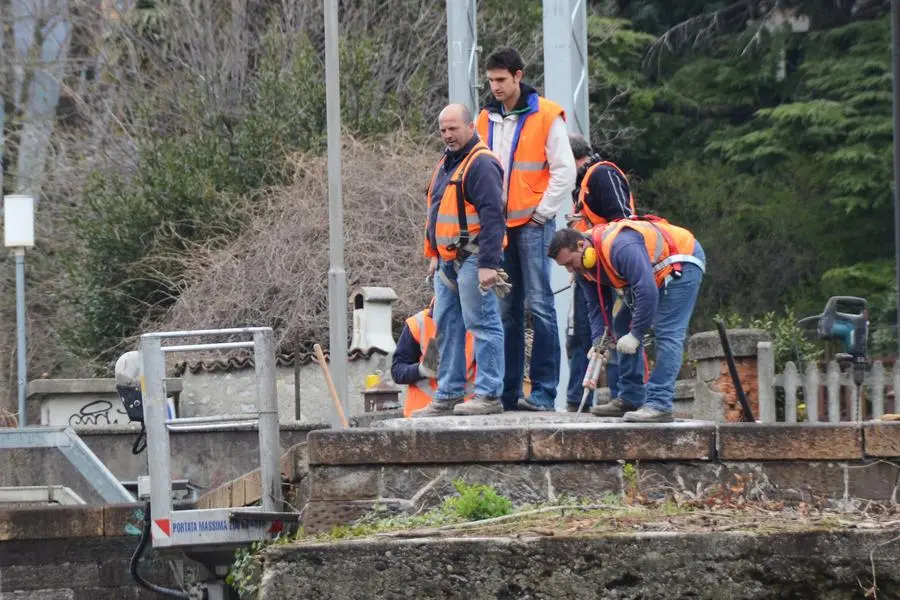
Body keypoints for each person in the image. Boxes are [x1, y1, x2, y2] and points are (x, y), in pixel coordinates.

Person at [476, 46, 576, 412]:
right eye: (490, 81)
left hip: (533, 225)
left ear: (519, 75)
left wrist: (541, 213)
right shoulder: (484, 117)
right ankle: (508, 393)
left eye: (501, 80)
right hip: (499, 227)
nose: (496, 87)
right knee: (507, 311)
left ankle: (545, 394)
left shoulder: (548, 115)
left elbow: (565, 170)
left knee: (541, 305)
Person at [547, 219, 706, 422]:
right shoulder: (584, 268)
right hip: (652, 275)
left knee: (667, 333)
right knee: (621, 325)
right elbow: (597, 306)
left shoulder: (621, 246)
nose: (570, 270)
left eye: (570, 263)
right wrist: (599, 342)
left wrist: (636, 334)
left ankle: (659, 404)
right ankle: (630, 398)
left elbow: (646, 291)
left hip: (682, 261)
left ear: (581, 245)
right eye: (565, 266)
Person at [415, 103, 507, 417]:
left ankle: (489, 394)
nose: (448, 135)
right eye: (443, 130)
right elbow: (437, 210)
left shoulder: (480, 163)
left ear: (470, 127)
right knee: (446, 325)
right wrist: (433, 255)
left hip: (474, 255)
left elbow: (494, 216)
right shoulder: (446, 162)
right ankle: (450, 392)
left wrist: (488, 265)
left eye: (453, 128)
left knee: (482, 323)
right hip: (447, 259)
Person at [563, 133, 642, 412]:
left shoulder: (602, 175)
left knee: (621, 331)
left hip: (615, 268)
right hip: (590, 269)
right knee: (587, 335)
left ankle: (625, 397)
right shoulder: (581, 185)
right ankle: (579, 400)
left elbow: (623, 223)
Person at [391, 298, 476, 417]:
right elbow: (397, 372)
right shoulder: (419, 323)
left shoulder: (477, 326)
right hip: (420, 415)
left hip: (465, 414)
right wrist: (421, 370)